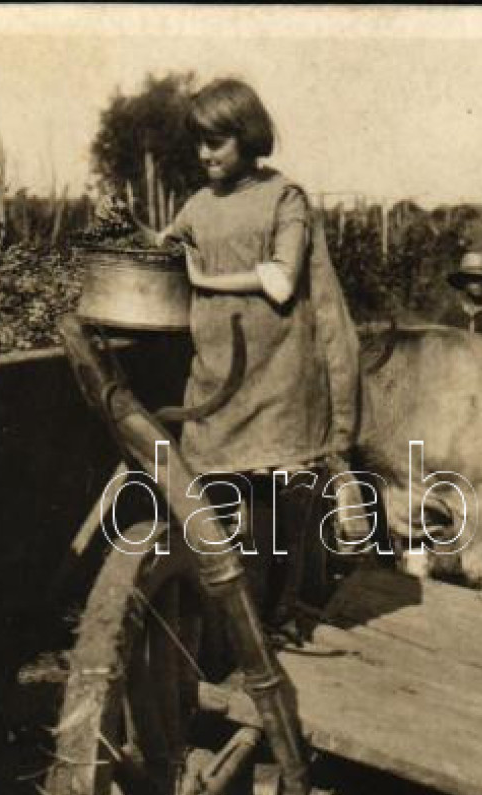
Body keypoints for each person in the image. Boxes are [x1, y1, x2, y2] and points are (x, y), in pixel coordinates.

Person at [153, 77, 361, 639]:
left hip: (277, 370)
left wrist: (203, 276)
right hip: (219, 370)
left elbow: (280, 278)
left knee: (270, 494)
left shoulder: (283, 196)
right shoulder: (199, 204)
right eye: (199, 142)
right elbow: (166, 248)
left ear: (247, 137)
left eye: (216, 142)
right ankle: (224, 619)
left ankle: (274, 617)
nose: (204, 155)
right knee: (216, 489)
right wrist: (152, 242)